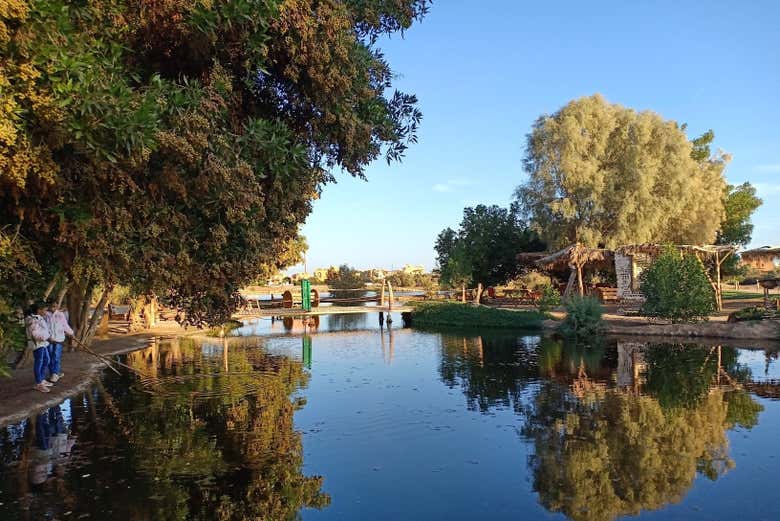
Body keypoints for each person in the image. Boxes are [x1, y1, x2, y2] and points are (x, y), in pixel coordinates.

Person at [25, 302, 52, 393]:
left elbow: (43, 330)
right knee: (39, 362)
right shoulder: (31, 320)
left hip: (42, 343)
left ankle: (41, 378)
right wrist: (47, 337)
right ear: (39, 310)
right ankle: (38, 383)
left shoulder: (39, 318)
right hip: (37, 344)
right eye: (45, 309)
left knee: (46, 360)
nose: (46, 311)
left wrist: (47, 336)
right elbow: (35, 334)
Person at [45, 299, 73, 382]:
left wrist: (71, 333)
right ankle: (53, 373)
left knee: (56, 356)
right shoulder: (45, 315)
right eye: (52, 306)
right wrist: (47, 337)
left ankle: (55, 374)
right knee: (49, 357)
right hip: (49, 340)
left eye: (56, 306)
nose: (54, 307)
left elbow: (65, 325)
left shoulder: (60, 314)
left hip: (59, 340)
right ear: (49, 306)